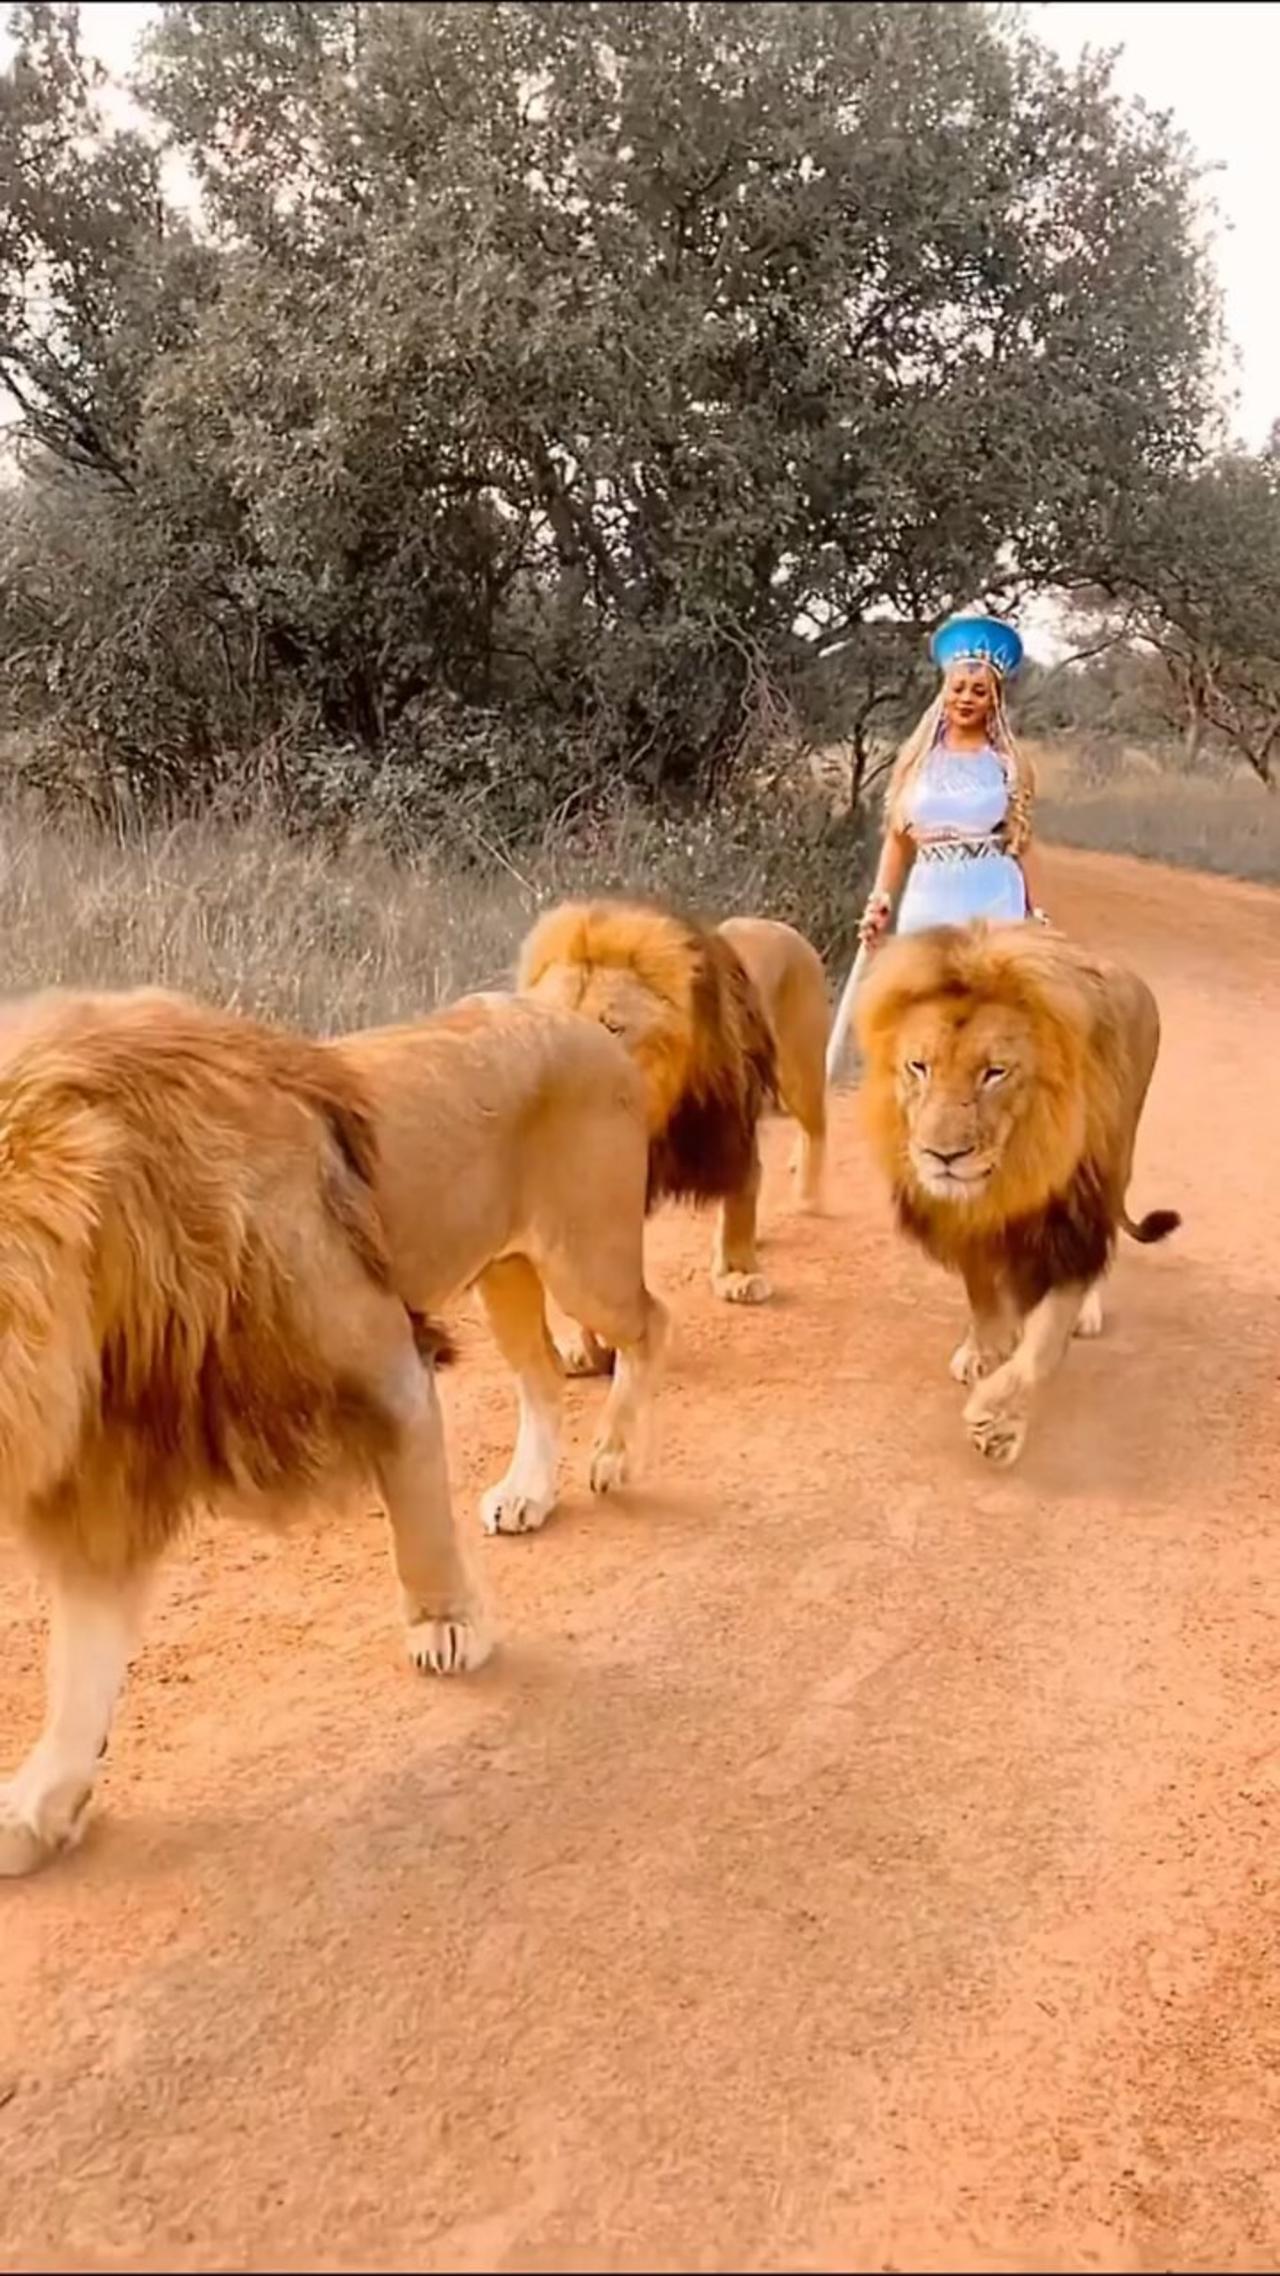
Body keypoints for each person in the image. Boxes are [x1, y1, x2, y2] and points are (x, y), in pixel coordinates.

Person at [855, 614, 1048, 956]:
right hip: (928, 897)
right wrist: (882, 897)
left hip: (994, 897)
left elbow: (1021, 840)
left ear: (994, 700)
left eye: (979, 691)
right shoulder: (916, 760)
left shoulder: (1007, 763)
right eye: (958, 689)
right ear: (945, 692)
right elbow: (898, 838)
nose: (966, 699)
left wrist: (1038, 910)